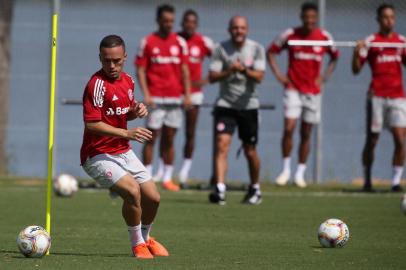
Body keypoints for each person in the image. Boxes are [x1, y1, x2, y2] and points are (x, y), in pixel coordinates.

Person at [80, 35, 169, 259]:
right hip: (97, 154)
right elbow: (92, 124)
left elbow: (121, 113)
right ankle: (137, 244)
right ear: (100, 58)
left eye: (116, 61)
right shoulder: (96, 85)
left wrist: (136, 111)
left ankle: (146, 238)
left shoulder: (128, 80)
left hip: (122, 150)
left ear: (125, 58)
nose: (111, 66)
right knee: (132, 191)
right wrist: (126, 133)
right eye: (106, 60)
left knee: (153, 198)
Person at [267, 2, 339, 188]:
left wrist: (323, 77)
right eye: (306, 17)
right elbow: (271, 52)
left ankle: (300, 173)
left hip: (313, 92)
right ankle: (285, 170)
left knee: (306, 132)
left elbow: (335, 57)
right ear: (301, 17)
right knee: (289, 128)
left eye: (313, 18)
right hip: (293, 89)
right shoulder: (290, 35)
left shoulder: (324, 36)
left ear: (316, 19)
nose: (309, 21)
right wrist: (279, 76)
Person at [208, 15, 266, 205]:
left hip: (249, 106)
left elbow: (259, 76)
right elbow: (213, 76)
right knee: (222, 144)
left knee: (250, 150)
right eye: (235, 28)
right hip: (226, 105)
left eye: (241, 28)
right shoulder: (220, 49)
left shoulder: (256, 49)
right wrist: (230, 71)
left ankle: (255, 188)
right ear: (229, 30)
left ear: (246, 30)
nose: (238, 31)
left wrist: (243, 71)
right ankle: (220, 189)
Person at [135, 4, 192, 192]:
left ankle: (167, 177)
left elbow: (185, 70)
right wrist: (147, 94)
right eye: (165, 21)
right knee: (151, 137)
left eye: (171, 21)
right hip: (155, 99)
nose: (169, 24)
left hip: (175, 99)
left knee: (170, 138)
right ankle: (147, 176)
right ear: (158, 20)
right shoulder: (148, 42)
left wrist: (187, 95)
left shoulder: (180, 43)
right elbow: (141, 70)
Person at [352, 3, 406, 192]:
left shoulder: (401, 42)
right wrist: (356, 52)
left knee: (400, 139)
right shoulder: (371, 41)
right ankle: (367, 181)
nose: (389, 20)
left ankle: (396, 182)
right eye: (385, 17)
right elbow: (356, 70)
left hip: (398, 97)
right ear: (378, 20)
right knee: (372, 140)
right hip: (376, 96)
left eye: (392, 17)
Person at [177, 9, 214, 188]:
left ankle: (185, 170)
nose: (189, 25)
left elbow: (220, 58)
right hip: (175, 91)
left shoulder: (203, 42)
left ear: (196, 24)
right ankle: (162, 170)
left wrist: (207, 79)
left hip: (194, 93)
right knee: (167, 132)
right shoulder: (176, 39)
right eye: (186, 22)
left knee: (190, 132)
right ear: (182, 23)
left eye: (193, 22)